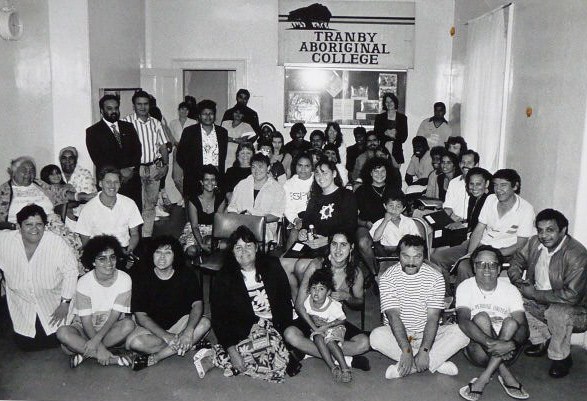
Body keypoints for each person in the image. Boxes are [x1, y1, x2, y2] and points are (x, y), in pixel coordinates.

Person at [370, 235, 469, 379]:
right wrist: (406, 350)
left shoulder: (435, 277)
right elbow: (393, 317)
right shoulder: (387, 278)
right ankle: (436, 362)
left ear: (424, 256)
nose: (411, 262)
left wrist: (424, 350)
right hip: (399, 333)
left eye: (417, 257)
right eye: (406, 256)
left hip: (427, 333)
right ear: (398, 255)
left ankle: (412, 367)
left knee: (462, 332)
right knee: (376, 337)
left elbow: (433, 318)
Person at [201, 226, 292, 382]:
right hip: (246, 329)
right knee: (271, 353)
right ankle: (231, 354)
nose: (244, 251)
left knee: (274, 348)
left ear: (256, 248)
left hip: (276, 325)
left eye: (248, 245)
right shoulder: (223, 278)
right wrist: (232, 350)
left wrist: (281, 331)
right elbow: (219, 318)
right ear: (232, 252)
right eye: (238, 247)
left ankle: (218, 357)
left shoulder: (273, 266)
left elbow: (285, 301)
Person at [508, 209, 587, 378]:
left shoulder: (577, 255)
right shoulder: (535, 242)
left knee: (557, 312)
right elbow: (517, 261)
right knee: (510, 295)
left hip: (576, 310)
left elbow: (571, 296)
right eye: (540, 230)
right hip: (541, 299)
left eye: (550, 230)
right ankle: (541, 340)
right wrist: (517, 281)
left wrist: (534, 294)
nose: (544, 235)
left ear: (563, 230)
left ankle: (561, 358)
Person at [285, 232, 370, 372]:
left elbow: (359, 302)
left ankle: (308, 351)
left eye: (343, 245)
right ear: (329, 246)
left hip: (333, 321)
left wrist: (347, 297)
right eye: (334, 244)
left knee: (364, 343)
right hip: (311, 318)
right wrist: (316, 328)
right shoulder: (317, 265)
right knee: (289, 333)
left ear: (352, 247)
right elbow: (299, 306)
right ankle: (345, 359)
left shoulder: (355, 272)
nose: (338, 250)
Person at [126, 236, 211, 370]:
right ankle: (191, 343)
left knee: (205, 323)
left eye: (167, 253)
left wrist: (188, 331)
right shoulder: (141, 277)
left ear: (175, 256)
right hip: (152, 329)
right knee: (136, 343)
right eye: (158, 252)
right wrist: (167, 336)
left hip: (180, 324)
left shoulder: (186, 274)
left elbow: (197, 305)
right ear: (152, 255)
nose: (162, 257)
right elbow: (141, 316)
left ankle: (158, 357)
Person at [0, 204, 78, 351]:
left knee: (57, 339)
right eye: (28, 224)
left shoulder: (56, 243)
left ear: (45, 226)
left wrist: (65, 303)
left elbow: (71, 272)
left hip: (54, 307)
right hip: (23, 307)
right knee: (26, 345)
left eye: (39, 224)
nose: (34, 229)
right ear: (18, 226)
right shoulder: (5, 241)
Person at [456, 245, 529, 400]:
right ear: (474, 267)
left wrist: (512, 345)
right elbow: (463, 321)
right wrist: (490, 343)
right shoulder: (465, 287)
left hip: (508, 351)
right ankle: (505, 375)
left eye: (492, 264)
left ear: (499, 269)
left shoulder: (511, 290)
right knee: (481, 317)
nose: (486, 269)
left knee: (511, 323)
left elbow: (523, 327)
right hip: (478, 349)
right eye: (481, 264)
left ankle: (483, 378)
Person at [281, 158, 358, 300]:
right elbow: (307, 224)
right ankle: (298, 301)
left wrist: (328, 241)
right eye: (317, 173)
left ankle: (309, 302)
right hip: (313, 245)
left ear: (334, 174)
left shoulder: (346, 196)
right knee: (283, 263)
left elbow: (350, 228)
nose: (320, 177)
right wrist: (303, 232)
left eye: (324, 173)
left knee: (301, 266)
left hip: (334, 247)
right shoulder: (315, 198)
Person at [56, 235, 135, 368]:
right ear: (93, 262)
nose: (109, 263)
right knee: (62, 333)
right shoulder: (84, 282)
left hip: (109, 329)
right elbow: (85, 321)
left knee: (128, 325)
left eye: (112, 257)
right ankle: (109, 358)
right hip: (85, 329)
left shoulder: (125, 279)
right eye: (102, 259)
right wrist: (101, 349)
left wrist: (96, 342)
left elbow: (115, 315)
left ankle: (84, 352)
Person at [122, 90, 169, 237]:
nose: (142, 107)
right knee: (135, 205)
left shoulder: (156, 123)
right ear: (134, 106)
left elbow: (163, 146)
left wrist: (165, 166)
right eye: (139, 104)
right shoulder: (126, 122)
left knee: (150, 205)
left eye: (145, 104)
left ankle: (146, 238)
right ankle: (133, 238)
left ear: (150, 105)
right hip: (135, 170)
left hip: (153, 168)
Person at [86, 94, 142, 209]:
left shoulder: (128, 127)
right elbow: (98, 159)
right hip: (110, 182)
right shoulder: (93, 132)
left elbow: (137, 150)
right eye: (109, 108)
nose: (114, 111)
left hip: (132, 181)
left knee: (134, 215)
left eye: (116, 108)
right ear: (102, 110)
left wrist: (131, 169)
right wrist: (120, 172)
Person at [75, 167, 143, 258]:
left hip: (123, 251)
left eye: (116, 182)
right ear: (100, 183)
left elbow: (134, 234)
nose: (112, 186)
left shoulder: (129, 203)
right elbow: (85, 241)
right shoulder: (88, 208)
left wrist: (129, 251)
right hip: (99, 253)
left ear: (120, 184)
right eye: (108, 182)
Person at [355, 157, 404, 280]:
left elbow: (404, 211)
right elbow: (352, 216)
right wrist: (365, 224)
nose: (379, 174)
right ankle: (375, 273)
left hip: (391, 225)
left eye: (383, 171)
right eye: (376, 171)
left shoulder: (395, 189)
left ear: (388, 173)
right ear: (370, 173)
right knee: (363, 242)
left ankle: (397, 274)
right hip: (367, 225)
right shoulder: (361, 190)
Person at [302, 269, 351, 383]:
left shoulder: (333, 305)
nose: (316, 292)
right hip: (319, 329)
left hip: (335, 326)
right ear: (309, 289)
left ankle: (345, 368)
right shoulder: (307, 302)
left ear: (328, 292)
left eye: (321, 289)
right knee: (317, 337)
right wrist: (314, 321)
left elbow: (343, 320)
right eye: (314, 288)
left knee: (329, 341)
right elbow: (306, 315)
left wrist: (328, 325)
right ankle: (333, 367)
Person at [227, 153, 285, 243]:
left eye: (260, 166)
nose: (256, 170)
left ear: (268, 168)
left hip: (264, 230)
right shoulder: (242, 184)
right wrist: (241, 219)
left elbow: (276, 215)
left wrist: (254, 220)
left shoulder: (277, 188)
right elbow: (232, 209)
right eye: (253, 167)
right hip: (240, 228)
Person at [176, 99, 229, 199]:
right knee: (194, 211)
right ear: (199, 116)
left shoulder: (222, 132)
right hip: (194, 180)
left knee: (215, 211)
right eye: (204, 114)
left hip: (216, 179)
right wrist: (192, 171)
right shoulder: (189, 132)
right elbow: (180, 156)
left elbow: (222, 157)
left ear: (215, 115)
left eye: (211, 114)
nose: (208, 117)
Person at [179, 165, 226, 258]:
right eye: (206, 179)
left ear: (216, 182)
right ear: (201, 182)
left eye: (213, 179)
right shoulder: (194, 200)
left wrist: (213, 241)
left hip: (213, 230)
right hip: (195, 231)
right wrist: (201, 244)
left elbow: (219, 224)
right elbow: (194, 226)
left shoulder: (221, 199)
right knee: (191, 251)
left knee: (222, 246)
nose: (210, 182)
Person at [58, 146, 97, 227]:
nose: (67, 161)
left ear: (75, 160)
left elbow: (88, 198)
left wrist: (66, 207)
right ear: (60, 160)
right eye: (64, 158)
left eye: (71, 158)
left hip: (82, 216)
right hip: (61, 216)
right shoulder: (56, 174)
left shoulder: (84, 173)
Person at [167, 102, 198, 205]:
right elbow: (170, 138)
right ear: (178, 110)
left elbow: (196, 138)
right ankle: (185, 197)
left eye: (186, 110)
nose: (184, 112)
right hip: (178, 151)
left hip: (190, 152)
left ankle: (189, 200)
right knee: (176, 178)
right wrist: (175, 143)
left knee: (189, 177)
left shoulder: (193, 122)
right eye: (182, 109)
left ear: (188, 112)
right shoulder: (173, 123)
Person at [283, 153, 314, 249]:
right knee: (294, 234)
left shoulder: (317, 180)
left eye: (307, 166)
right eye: (300, 165)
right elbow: (286, 206)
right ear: (295, 166)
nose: (303, 169)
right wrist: (295, 220)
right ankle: (287, 259)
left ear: (312, 167)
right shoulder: (288, 184)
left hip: (315, 218)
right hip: (296, 219)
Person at [443, 150, 479, 223]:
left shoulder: (481, 184)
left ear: (476, 165)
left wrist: (463, 223)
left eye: (469, 162)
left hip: (472, 224)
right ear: (459, 164)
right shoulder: (453, 182)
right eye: (463, 162)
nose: (465, 165)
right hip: (454, 221)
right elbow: (448, 206)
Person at [374, 92, 408, 167]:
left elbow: (404, 137)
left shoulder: (402, 118)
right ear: (384, 103)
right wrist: (386, 133)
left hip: (396, 150)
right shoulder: (379, 117)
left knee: (395, 174)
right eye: (387, 102)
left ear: (395, 102)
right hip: (383, 150)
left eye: (391, 101)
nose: (389, 103)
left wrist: (395, 134)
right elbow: (376, 134)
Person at [221, 104, 256, 168]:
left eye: (240, 113)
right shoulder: (225, 123)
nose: (238, 115)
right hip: (224, 153)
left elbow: (243, 141)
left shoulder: (246, 126)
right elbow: (221, 137)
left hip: (237, 155)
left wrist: (230, 139)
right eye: (236, 112)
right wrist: (236, 139)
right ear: (233, 113)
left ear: (243, 115)